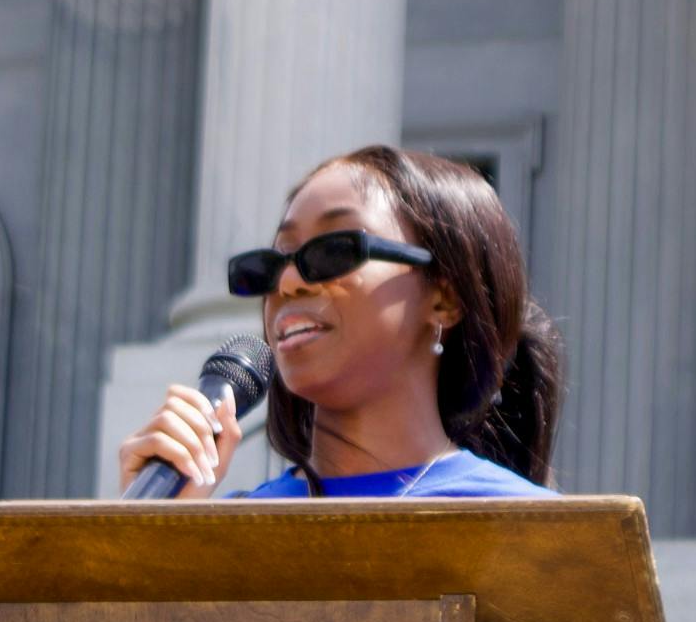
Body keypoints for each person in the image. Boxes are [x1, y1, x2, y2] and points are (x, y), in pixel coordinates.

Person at [118, 145, 562, 500]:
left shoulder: (536, 533)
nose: (288, 283)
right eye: (272, 264)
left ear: (444, 299)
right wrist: (157, 544)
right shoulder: (225, 534)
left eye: (334, 252)